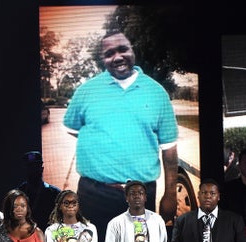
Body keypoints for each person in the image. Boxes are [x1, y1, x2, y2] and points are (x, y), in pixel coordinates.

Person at [63, 31, 179, 227]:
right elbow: (72, 128)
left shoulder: (157, 92)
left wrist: (170, 194)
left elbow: (169, 149)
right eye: (109, 53)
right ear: (102, 59)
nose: (117, 57)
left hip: (142, 196)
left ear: (132, 50)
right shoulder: (86, 91)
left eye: (123, 49)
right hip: (94, 195)